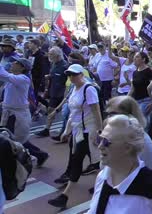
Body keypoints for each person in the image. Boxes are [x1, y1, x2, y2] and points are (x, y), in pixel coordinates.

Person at [87, 114, 152, 214]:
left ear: (128, 148)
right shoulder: (103, 176)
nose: (100, 146)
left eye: (106, 142)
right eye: (99, 138)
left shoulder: (150, 196)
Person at [48, 64, 103, 209]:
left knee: (78, 160)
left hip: (88, 131)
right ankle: (104, 184)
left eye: (74, 74)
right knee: (95, 162)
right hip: (77, 131)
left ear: (82, 74)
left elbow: (96, 111)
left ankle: (64, 196)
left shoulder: (89, 89)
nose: (71, 77)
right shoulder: (74, 89)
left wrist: (99, 130)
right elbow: (74, 114)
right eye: (69, 74)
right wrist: (66, 131)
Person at [0, 57, 49, 167]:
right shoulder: (15, 78)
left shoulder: (23, 78)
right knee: (11, 138)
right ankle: (39, 155)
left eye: (16, 62)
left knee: (16, 139)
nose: (12, 63)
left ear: (22, 68)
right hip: (10, 112)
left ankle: (36, 156)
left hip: (17, 115)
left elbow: (4, 75)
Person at [104, 96, 152, 173]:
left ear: (130, 116)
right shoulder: (110, 135)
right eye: (107, 114)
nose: (108, 118)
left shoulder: (142, 141)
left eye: (113, 114)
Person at [129, 52, 152, 117]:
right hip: (136, 101)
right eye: (134, 57)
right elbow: (132, 88)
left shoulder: (149, 72)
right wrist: (125, 98)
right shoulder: (135, 72)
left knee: (141, 121)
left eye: (137, 57)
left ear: (143, 59)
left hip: (146, 100)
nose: (134, 58)